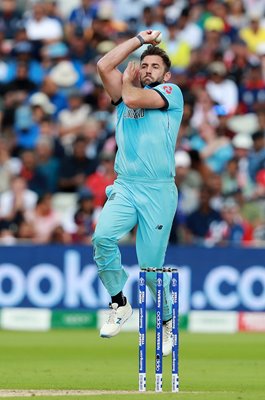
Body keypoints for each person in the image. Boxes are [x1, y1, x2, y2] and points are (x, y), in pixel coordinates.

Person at [93, 30, 183, 357]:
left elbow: (131, 99)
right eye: (143, 65)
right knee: (102, 238)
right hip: (127, 185)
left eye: (154, 66)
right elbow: (104, 65)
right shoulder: (128, 87)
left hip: (158, 191)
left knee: (149, 270)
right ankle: (119, 304)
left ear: (165, 74)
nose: (147, 70)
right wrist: (138, 40)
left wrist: (128, 82)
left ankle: (169, 322)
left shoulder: (171, 93)